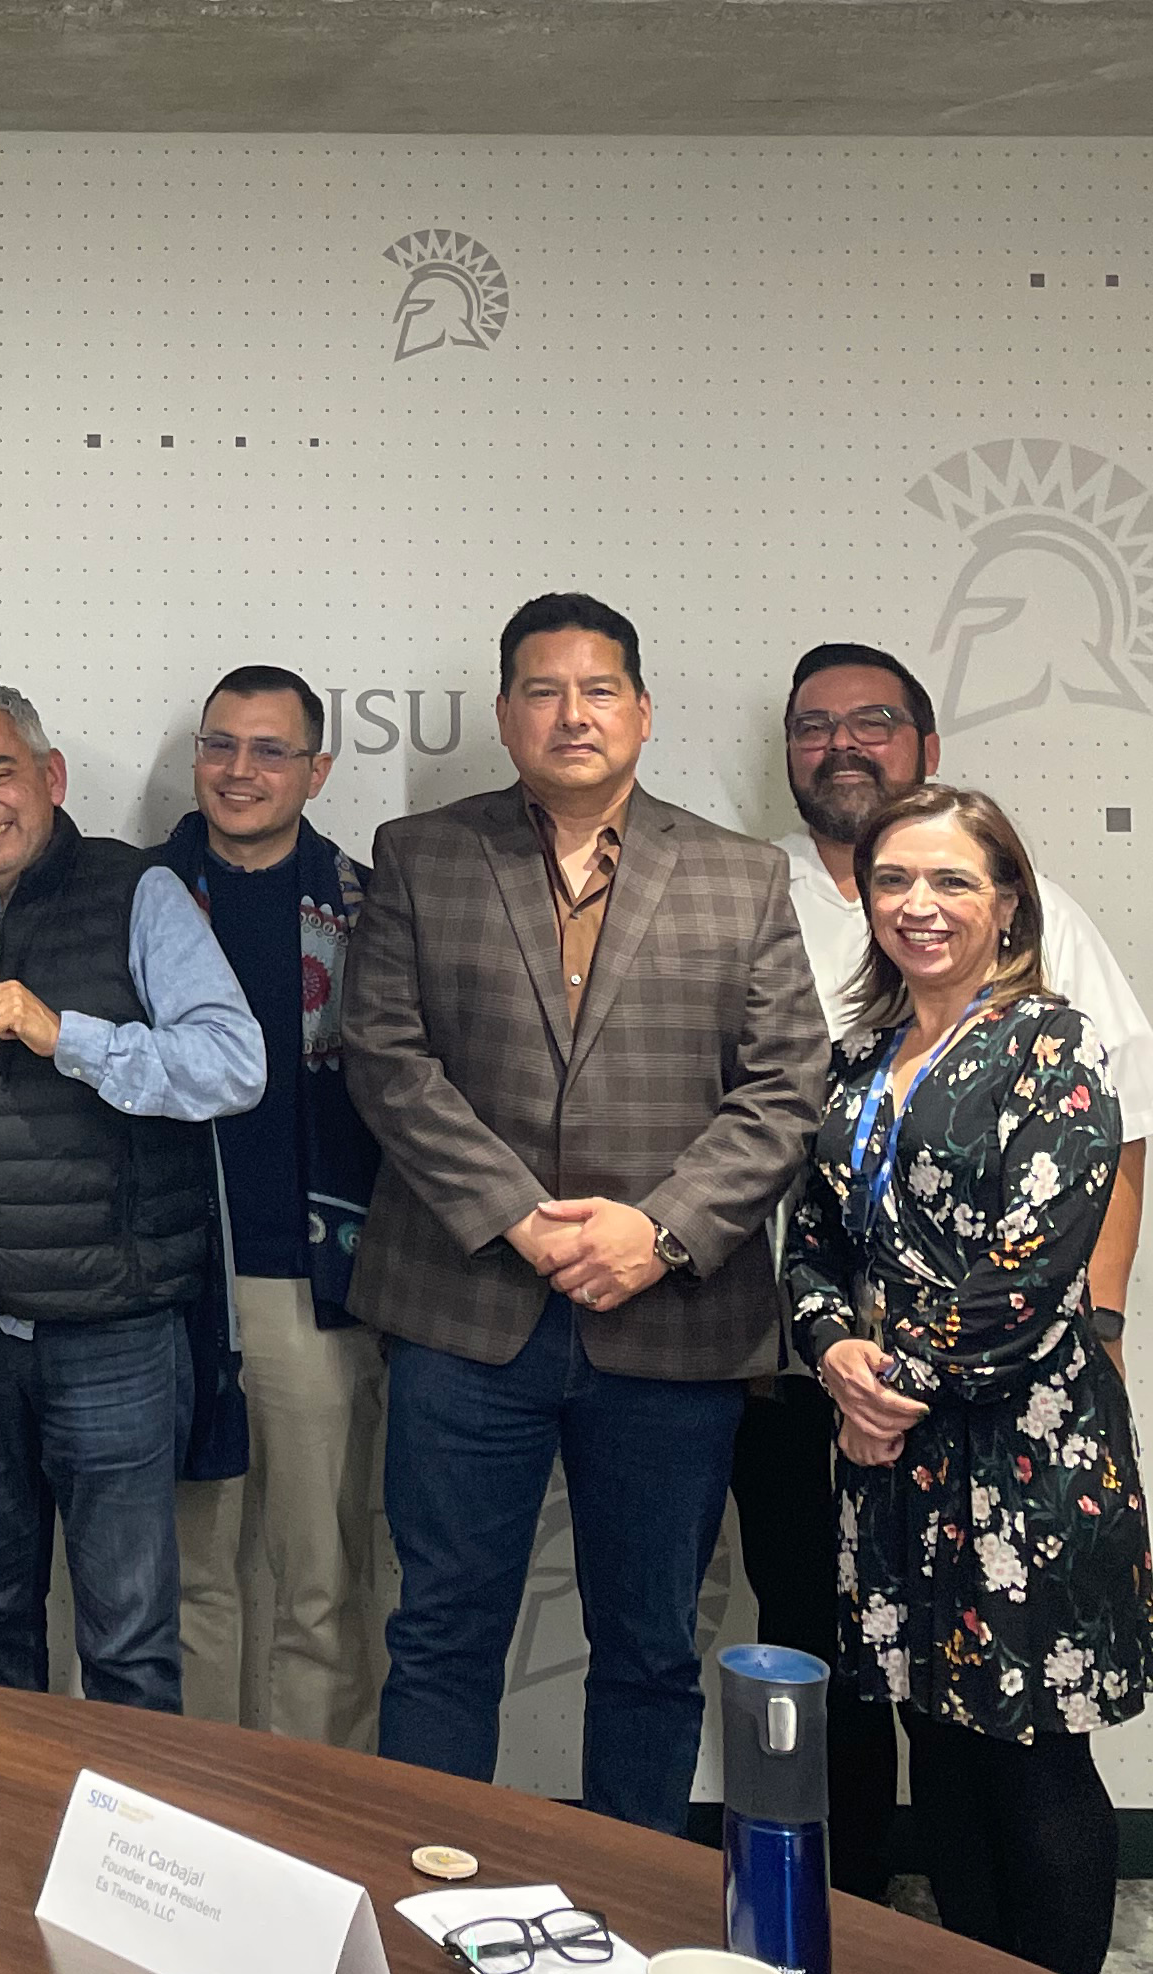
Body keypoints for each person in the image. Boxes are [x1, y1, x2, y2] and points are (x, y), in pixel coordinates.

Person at [343, 592, 826, 1834]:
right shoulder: (420, 854)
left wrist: (655, 1233)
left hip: (672, 1323)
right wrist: (517, 1215)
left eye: (599, 689)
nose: (572, 713)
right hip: (465, 1310)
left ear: (644, 712)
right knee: (444, 1636)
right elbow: (384, 1055)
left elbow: (785, 1089)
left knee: (652, 1648)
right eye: (544, 691)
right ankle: (426, 1901)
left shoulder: (740, 874)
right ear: (506, 715)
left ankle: (631, 1913)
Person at [734, 640, 1153, 1897]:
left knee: (1031, 1754)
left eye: (952, 882)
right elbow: (812, 1233)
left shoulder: (1052, 1049)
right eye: (896, 881)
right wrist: (833, 1351)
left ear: (1007, 902)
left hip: (1016, 1446)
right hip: (892, 1456)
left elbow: (1033, 1270)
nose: (921, 903)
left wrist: (885, 1389)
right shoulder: (862, 1063)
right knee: (936, 1739)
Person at [0, 683, 263, 1712]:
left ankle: (129, 1869)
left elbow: (235, 1065)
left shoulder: (141, 894)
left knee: (128, 1635)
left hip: (114, 1330)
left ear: (49, 777)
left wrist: (66, 1037)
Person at [149, 666, 389, 1747]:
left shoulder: (373, 907)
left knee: (321, 1580)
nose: (240, 771)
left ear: (317, 769)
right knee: (186, 1576)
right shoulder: (135, 895)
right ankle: (191, 1822)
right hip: (166, 1280)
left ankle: (312, 1819)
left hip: (314, 1284)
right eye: (221, 745)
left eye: (269, 751)